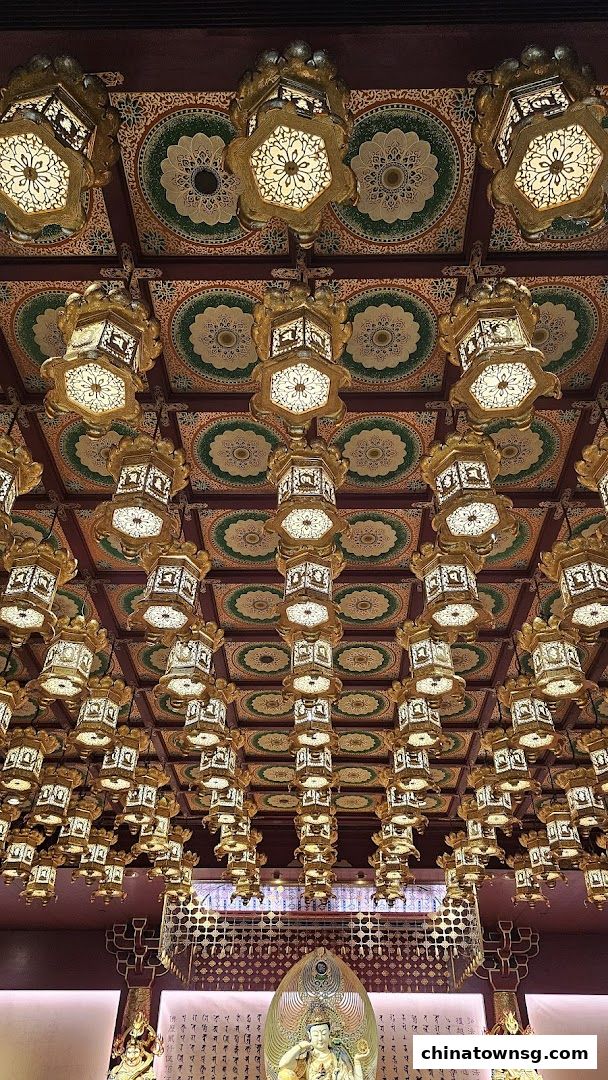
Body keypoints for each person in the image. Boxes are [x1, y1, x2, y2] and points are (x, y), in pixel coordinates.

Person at [278, 1005, 367, 1080]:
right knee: (284, 1074)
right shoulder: (306, 1057)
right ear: (309, 1035)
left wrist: (357, 1062)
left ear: (329, 1033)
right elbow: (283, 1066)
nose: (320, 1038)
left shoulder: (338, 1056)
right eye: (316, 1035)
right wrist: (299, 1047)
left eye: (324, 1033)